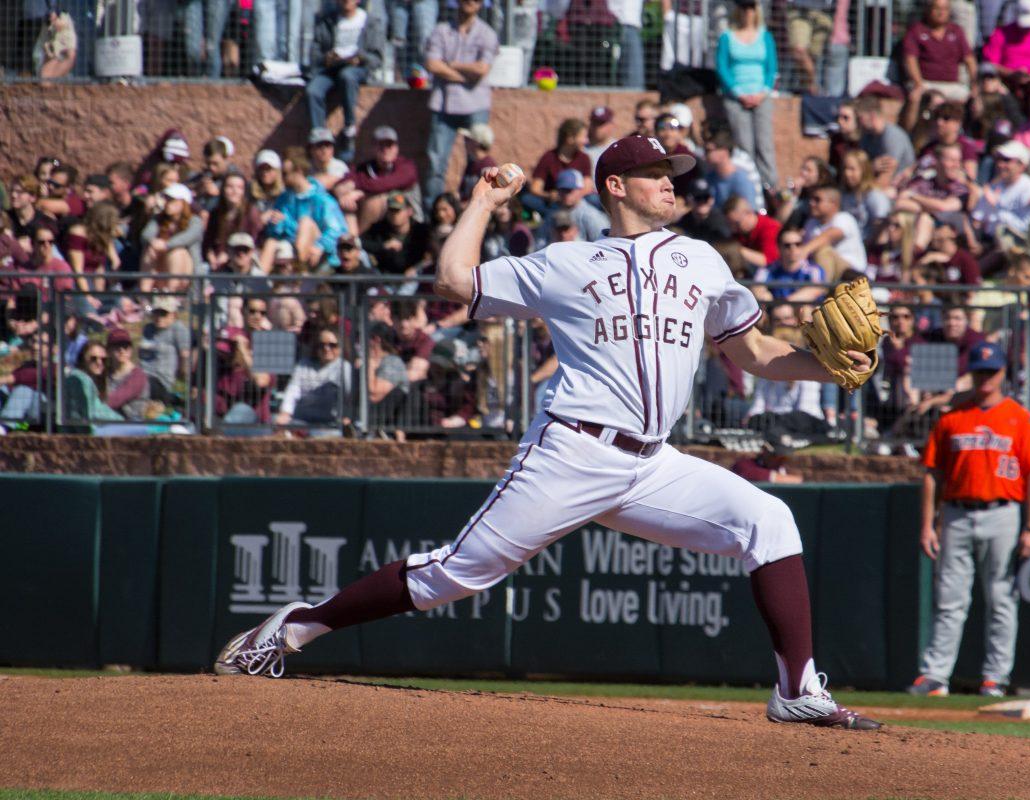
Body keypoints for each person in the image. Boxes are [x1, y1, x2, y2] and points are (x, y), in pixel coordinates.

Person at [214, 133, 882, 731]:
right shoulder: (566, 262)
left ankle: (796, 690)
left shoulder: (703, 260)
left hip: (654, 464)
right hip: (573, 450)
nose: (671, 182)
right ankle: (293, 628)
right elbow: (453, 281)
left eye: (672, 171)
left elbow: (756, 352)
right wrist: (483, 203)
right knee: (455, 575)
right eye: (656, 172)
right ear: (616, 186)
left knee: (770, 521)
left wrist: (829, 368)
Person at [909, 342, 1030, 698]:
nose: (985, 378)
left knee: (1001, 599)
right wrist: (929, 523)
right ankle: (935, 675)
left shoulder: (1018, 418)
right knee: (949, 600)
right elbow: (932, 473)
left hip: (1002, 512)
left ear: (1004, 373)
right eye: (979, 372)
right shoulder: (953, 417)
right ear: (971, 373)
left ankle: (995, 678)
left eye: (991, 372)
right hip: (957, 513)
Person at [423, 0, 499, 204]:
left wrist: (452, 64)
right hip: (443, 103)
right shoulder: (441, 30)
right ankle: (433, 215)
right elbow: (432, 64)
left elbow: (482, 69)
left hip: (475, 104)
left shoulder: (487, 34)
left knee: (479, 163)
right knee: (435, 162)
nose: (469, 2)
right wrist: (464, 77)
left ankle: (478, 209)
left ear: (481, 4)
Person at [306, 0, 386, 159]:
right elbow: (315, 55)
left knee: (347, 76)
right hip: (331, 69)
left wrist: (360, 58)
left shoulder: (370, 22)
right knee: (313, 90)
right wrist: (326, 58)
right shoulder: (327, 21)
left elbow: (377, 58)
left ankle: (349, 129)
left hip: (357, 69)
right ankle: (319, 137)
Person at [715, 0, 778, 191]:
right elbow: (722, 68)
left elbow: (771, 68)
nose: (747, 12)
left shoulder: (765, 36)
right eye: (743, 7)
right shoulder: (727, 37)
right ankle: (749, 187)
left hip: (761, 96)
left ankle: (770, 188)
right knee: (744, 146)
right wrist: (738, 93)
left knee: (764, 145)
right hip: (736, 98)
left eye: (751, 7)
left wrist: (762, 92)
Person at [902, 0, 977, 125]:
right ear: (928, 10)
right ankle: (911, 134)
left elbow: (969, 59)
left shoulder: (956, 31)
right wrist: (918, 83)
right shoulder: (916, 31)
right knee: (915, 97)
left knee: (975, 100)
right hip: (925, 83)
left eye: (945, 9)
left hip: (952, 85)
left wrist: (974, 84)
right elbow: (910, 60)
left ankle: (966, 135)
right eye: (937, 9)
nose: (941, 13)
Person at [274, 325, 353, 428]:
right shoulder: (303, 365)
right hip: (301, 419)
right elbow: (293, 390)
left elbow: (349, 395)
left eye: (332, 345)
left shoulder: (344, 367)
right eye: (322, 345)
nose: (326, 349)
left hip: (330, 423)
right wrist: (285, 413)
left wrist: (347, 417)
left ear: (341, 347)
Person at [139, 296, 192, 404]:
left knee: (141, 384)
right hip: (142, 374)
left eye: (163, 314)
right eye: (156, 313)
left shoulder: (178, 329)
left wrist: (182, 375)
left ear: (173, 315)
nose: (159, 317)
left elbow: (185, 355)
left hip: (160, 379)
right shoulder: (148, 329)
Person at [724, 195, 781, 271]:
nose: (733, 229)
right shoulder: (739, 233)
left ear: (749, 213)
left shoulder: (770, 227)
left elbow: (768, 261)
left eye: (737, 223)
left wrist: (737, 249)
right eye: (730, 225)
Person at [730, 429, 805, 484]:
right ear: (765, 449)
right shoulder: (744, 466)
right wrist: (795, 480)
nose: (781, 460)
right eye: (777, 455)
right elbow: (758, 475)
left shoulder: (785, 470)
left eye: (785, 456)